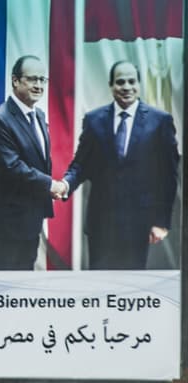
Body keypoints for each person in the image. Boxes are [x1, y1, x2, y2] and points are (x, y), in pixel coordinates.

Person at [61, 61, 179, 269]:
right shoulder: (93, 120)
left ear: (139, 84)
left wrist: (161, 221)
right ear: (111, 85)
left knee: (131, 288)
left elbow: (168, 176)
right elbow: (81, 164)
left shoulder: (160, 121)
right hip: (101, 225)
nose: (126, 87)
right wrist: (65, 185)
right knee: (100, 288)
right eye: (120, 82)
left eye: (131, 81)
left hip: (139, 225)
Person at [0, 55, 66, 270]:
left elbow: (39, 161)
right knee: (1, 293)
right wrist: (50, 185)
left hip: (29, 222)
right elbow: (12, 167)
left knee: (20, 288)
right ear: (15, 81)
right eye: (32, 79)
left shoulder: (38, 115)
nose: (38, 85)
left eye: (42, 80)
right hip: (4, 228)